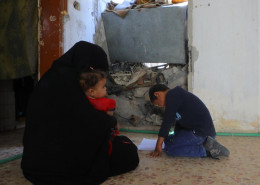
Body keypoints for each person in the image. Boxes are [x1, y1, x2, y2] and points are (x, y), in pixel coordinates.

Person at [21, 41, 139, 185]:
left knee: (121, 143)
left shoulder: (55, 76)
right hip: (60, 165)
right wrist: (110, 122)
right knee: (129, 153)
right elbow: (86, 121)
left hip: (35, 161)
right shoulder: (68, 81)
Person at [148, 84, 230, 159]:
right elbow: (178, 122)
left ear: (157, 94)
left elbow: (167, 122)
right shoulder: (175, 96)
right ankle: (205, 144)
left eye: (158, 104)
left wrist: (158, 146)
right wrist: (175, 137)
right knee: (168, 140)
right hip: (193, 131)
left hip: (202, 133)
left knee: (170, 149)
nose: (161, 106)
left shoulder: (172, 95)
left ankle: (207, 151)